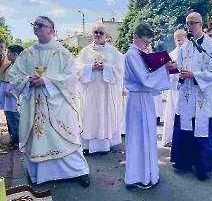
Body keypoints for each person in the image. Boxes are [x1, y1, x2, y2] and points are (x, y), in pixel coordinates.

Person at [9, 16, 90, 187]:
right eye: (35, 24)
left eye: (41, 25)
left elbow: (71, 77)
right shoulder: (26, 54)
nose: (36, 27)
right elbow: (14, 75)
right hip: (34, 106)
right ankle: (40, 175)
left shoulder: (63, 53)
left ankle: (79, 171)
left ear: (52, 31)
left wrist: (46, 81)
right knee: (39, 139)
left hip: (59, 106)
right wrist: (27, 80)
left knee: (66, 137)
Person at [124, 23, 176, 189]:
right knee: (139, 138)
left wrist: (163, 67)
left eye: (149, 43)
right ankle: (139, 177)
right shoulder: (132, 54)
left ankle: (149, 174)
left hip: (144, 99)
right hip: (137, 100)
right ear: (136, 37)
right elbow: (145, 78)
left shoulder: (139, 53)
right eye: (145, 42)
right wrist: (164, 69)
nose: (147, 46)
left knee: (147, 137)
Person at [170, 12, 212, 181]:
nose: (190, 26)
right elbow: (178, 68)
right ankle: (184, 162)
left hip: (201, 95)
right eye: (187, 23)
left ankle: (202, 166)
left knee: (201, 130)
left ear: (201, 25)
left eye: (193, 23)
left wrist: (195, 75)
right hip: (186, 94)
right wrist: (178, 72)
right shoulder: (184, 48)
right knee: (185, 126)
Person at [77, 23, 124, 155]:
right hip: (90, 91)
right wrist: (90, 67)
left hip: (105, 92)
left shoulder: (113, 52)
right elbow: (77, 67)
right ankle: (87, 145)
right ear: (92, 34)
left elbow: (120, 70)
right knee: (89, 116)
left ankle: (103, 147)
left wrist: (106, 68)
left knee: (104, 115)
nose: (97, 35)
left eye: (100, 33)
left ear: (106, 35)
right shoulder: (85, 51)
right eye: (95, 32)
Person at [162, 29, 187, 147]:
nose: (180, 42)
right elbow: (166, 71)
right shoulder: (171, 55)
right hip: (174, 86)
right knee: (172, 110)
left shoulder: (189, 52)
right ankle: (170, 137)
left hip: (186, 85)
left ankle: (182, 139)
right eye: (178, 40)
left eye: (182, 39)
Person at [0, 45, 24, 149]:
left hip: (16, 98)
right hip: (6, 97)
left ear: (15, 54)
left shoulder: (23, 67)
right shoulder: (7, 66)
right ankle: (14, 136)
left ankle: (20, 139)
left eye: (9, 52)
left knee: (17, 118)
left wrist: (14, 92)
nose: (7, 54)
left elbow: (24, 82)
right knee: (9, 118)